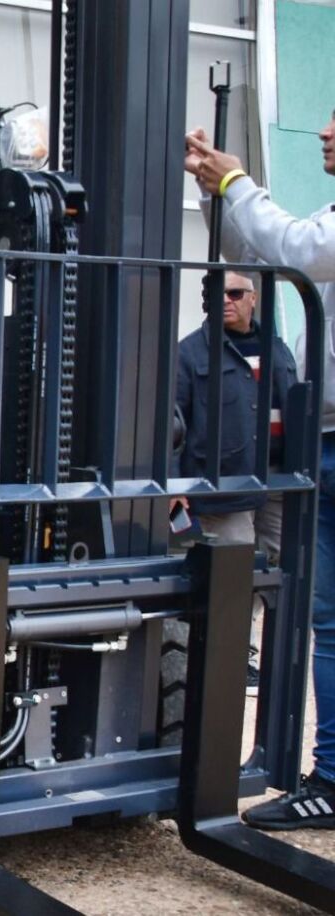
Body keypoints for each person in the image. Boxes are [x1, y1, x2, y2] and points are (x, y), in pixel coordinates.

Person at [184, 112, 335, 830]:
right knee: (321, 617)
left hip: (301, 461)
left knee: (324, 618)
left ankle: (332, 778)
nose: (325, 133)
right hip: (281, 465)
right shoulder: (194, 351)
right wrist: (225, 191)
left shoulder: (273, 345)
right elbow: (272, 249)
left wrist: (238, 182)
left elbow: (298, 249)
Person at [174, 270, 297, 697]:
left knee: (284, 569)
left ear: (253, 299)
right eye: (217, 293)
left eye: (235, 293)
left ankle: (259, 650)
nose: (225, 300)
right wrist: (176, 491)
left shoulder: (277, 351)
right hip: (224, 486)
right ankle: (229, 655)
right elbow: (172, 424)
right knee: (233, 569)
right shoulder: (190, 354)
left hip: (279, 482)